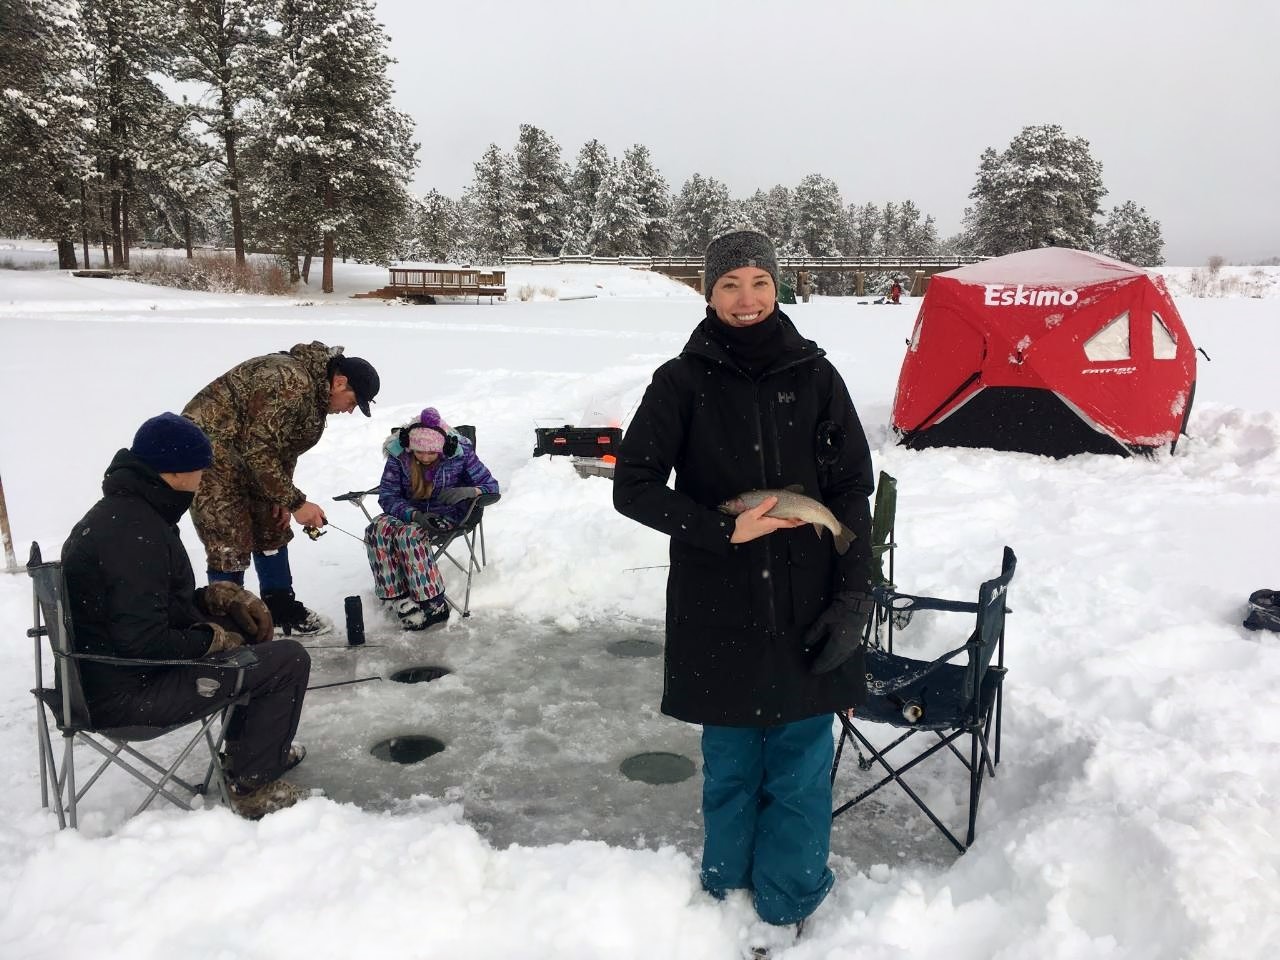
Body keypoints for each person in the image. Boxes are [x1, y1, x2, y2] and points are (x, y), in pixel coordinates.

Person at [613, 228, 875, 935]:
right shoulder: (679, 381)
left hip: (807, 604)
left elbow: (852, 488)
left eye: (759, 281)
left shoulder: (817, 377)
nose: (747, 298)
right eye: (730, 284)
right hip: (716, 606)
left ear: (778, 286)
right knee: (730, 765)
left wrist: (855, 594)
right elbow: (633, 487)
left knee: (797, 768)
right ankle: (725, 894)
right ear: (709, 293)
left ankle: (787, 900)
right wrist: (723, 529)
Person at [61, 413, 313, 819]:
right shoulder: (133, 532)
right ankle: (253, 786)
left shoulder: (128, 513)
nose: (203, 478)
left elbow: (139, 607)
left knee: (244, 631)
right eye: (200, 468)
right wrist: (215, 639)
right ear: (175, 471)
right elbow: (142, 642)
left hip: (104, 679)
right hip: (127, 697)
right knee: (287, 660)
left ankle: (249, 755)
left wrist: (214, 599)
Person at [182, 341, 380, 636]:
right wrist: (297, 502)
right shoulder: (290, 382)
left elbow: (282, 448)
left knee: (271, 525)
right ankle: (230, 623)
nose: (350, 411)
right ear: (339, 383)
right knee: (230, 541)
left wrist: (282, 498)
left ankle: (279, 608)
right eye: (353, 402)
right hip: (211, 455)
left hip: (246, 455)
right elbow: (258, 450)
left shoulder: (314, 393)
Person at [367, 407, 499, 629]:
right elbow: (388, 495)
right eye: (420, 452)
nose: (426, 457)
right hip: (408, 512)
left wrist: (468, 492)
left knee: (409, 535)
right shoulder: (400, 456)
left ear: (443, 448)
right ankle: (398, 598)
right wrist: (414, 514)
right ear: (410, 447)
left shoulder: (461, 453)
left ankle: (433, 604)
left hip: (448, 514)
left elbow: (491, 486)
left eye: (431, 453)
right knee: (376, 529)